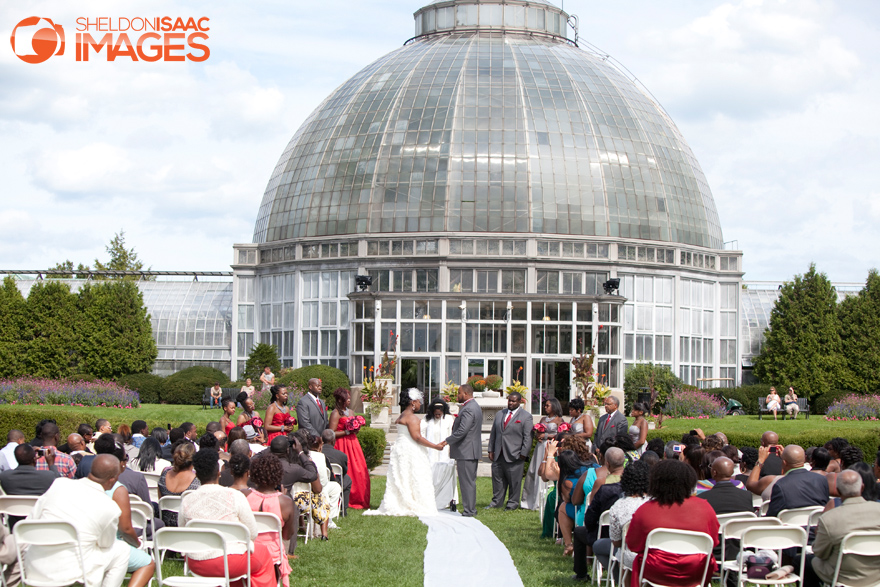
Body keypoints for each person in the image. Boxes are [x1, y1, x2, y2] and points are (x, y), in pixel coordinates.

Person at [26, 454, 131, 587]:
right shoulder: (110, 508)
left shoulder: (59, 484)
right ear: (113, 479)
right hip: (73, 572)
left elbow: (33, 518)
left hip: (34, 566)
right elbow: (105, 544)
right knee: (122, 549)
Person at [179, 448, 274, 587]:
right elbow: (252, 533)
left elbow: (183, 533)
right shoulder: (235, 496)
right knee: (263, 554)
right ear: (218, 472)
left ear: (197, 474)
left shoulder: (187, 499)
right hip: (231, 562)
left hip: (196, 563)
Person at [626, 459, 720, 587]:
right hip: (696, 571)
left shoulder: (645, 510)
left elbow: (633, 545)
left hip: (656, 571)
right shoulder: (705, 508)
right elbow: (713, 542)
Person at [367, 388, 445, 517]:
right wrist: (435, 446)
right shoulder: (412, 418)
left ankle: (402, 501)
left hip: (401, 449)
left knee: (403, 476)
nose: (420, 404)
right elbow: (417, 437)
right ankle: (412, 502)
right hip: (410, 450)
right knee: (414, 475)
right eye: (419, 402)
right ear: (413, 403)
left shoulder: (402, 414)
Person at [799, 469, 880, 587]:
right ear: (862, 487)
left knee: (802, 561)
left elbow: (819, 552)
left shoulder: (829, 519)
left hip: (843, 577)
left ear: (837, 490)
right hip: (876, 576)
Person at [581, 460, 651, 584]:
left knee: (599, 546)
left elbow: (617, 542)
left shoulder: (619, 506)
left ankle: (619, 580)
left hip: (630, 557)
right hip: (655, 555)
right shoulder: (656, 503)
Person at [99, 437, 156, 587]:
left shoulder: (83, 484)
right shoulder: (118, 489)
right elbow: (125, 529)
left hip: (86, 543)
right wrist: (137, 544)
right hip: (110, 544)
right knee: (148, 563)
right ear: (121, 464)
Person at [245, 452, 296, 584]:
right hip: (273, 555)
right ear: (278, 475)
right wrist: (282, 496)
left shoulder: (244, 495)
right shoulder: (285, 502)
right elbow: (287, 535)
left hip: (248, 549)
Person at [487, 391, 533, 510]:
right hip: (499, 453)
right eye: (509, 400)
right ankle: (496, 502)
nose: (511, 403)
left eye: (513, 401)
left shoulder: (526, 416)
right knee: (497, 480)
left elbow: (528, 437)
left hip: (515, 454)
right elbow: (494, 433)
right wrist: (491, 449)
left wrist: (523, 453)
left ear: (519, 402)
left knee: (514, 482)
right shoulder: (499, 414)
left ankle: (512, 503)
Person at [576, 448, 625, 557]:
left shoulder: (601, 482)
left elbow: (592, 507)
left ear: (607, 463)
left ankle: (584, 568)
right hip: (625, 531)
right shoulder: (631, 480)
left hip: (603, 531)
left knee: (580, 531)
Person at [329, 387, 371, 509]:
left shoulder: (351, 412)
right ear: (341, 400)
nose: (349, 400)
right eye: (347, 398)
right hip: (341, 444)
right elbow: (331, 432)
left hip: (353, 443)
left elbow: (354, 430)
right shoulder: (335, 413)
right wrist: (346, 432)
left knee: (358, 469)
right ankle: (346, 498)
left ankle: (359, 497)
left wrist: (355, 429)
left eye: (349, 398)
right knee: (347, 469)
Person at [444, 383, 482, 517]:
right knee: (468, 482)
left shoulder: (469, 409)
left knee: (467, 483)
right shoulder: (471, 406)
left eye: (459, 393)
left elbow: (462, 431)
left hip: (466, 451)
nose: (458, 396)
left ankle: (469, 510)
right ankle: (469, 509)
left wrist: (446, 441)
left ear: (465, 394)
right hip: (468, 450)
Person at [522, 397, 565, 510]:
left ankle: (544, 500)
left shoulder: (559, 420)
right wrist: (538, 435)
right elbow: (537, 433)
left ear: (554, 406)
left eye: (548, 405)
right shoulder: (542, 419)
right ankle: (530, 500)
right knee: (535, 470)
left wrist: (546, 436)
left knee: (547, 469)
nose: (545, 407)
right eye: (545, 405)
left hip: (551, 446)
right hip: (540, 446)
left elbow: (561, 434)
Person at [765, 444, 829, 518]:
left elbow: (772, 516)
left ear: (784, 463)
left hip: (791, 528)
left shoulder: (780, 485)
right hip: (815, 527)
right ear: (804, 459)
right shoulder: (821, 479)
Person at [289, 430, 330, 539]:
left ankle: (302, 525)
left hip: (284, 500)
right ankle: (324, 533)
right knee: (320, 496)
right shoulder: (307, 465)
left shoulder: (284, 462)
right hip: (301, 503)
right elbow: (317, 488)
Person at [158, 442, 201, 526]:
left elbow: (160, 500)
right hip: (187, 528)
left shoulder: (164, 475)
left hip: (165, 527)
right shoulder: (197, 480)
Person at [307, 433, 343, 522]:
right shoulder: (320, 456)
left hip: (305, 486)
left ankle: (330, 516)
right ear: (320, 445)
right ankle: (329, 518)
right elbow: (323, 479)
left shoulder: (302, 454)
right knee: (329, 488)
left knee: (335, 487)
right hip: (317, 486)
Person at [321, 429, 352, 513]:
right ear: (333, 441)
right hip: (335, 481)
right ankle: (343, 509)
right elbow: (344, 472)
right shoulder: (341, 455)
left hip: (319, 480)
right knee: (347, 480)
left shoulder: (317, 453)